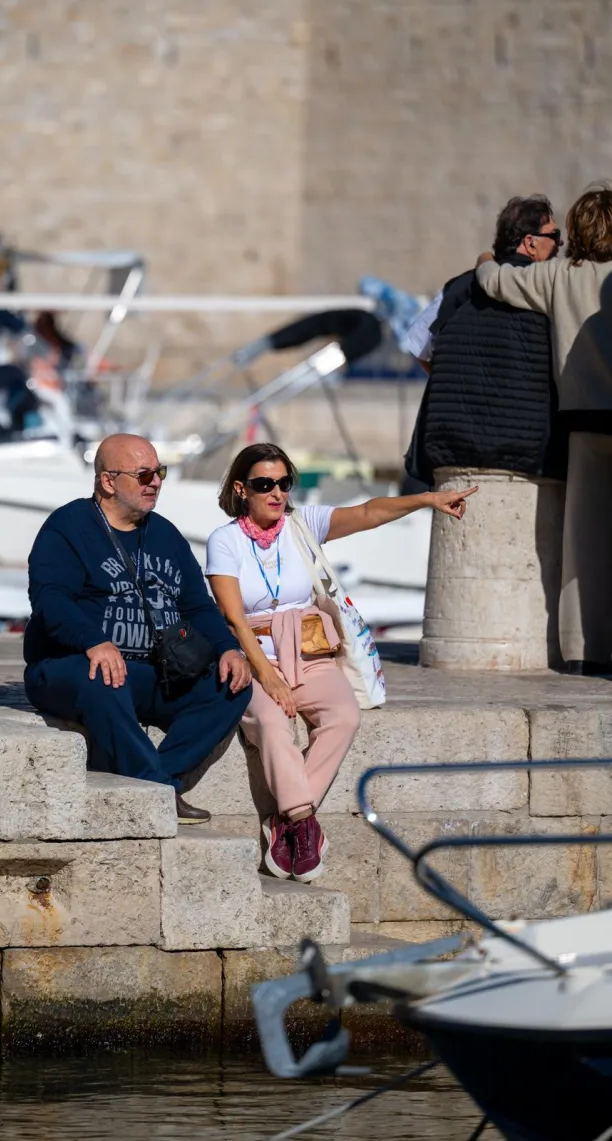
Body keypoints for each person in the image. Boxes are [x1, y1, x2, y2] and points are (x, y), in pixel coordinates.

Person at [206, 442, 476, 882]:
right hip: (253, 659)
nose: (276, 493)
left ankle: (287, 823)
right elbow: (234, 619)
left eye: (283, 483)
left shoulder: (302, 524)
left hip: (311, 655)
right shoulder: (225, 540)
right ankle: (304, 823)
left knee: (343, 716)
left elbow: (369, 512)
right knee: (273, 726)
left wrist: (426, 499)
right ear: (241, 489)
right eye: (264, 484)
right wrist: (269, 678)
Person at [24, 433, 252, 823]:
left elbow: (197, 604)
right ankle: (157, 789)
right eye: (144, 475)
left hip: (150, 670)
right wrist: (93, 641)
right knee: (103, 679)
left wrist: (228, 648)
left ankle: (158, 778)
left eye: (159, 472)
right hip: (72, 666)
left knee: (231, 687)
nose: (156, 482)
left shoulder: (164, 534)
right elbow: (51, 599)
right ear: (108, 481)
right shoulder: (68, 527)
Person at [475, 184, 612, 675]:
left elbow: (494, 281)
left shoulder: (557, 275)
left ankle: (584, 650)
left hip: (583, 422)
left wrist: (487, 255)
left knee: (584, 546)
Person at [402, 194, 565, 491]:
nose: (559, 244)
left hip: (450, 447)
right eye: (554, 235)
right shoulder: (549, 288)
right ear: (530, 243)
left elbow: (418, 346)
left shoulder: (458, 287)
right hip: (526, 451)